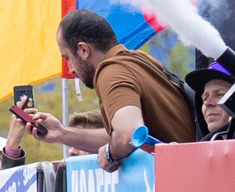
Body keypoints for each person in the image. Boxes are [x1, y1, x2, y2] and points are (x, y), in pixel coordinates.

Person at [30, 9, 198, 169]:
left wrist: (110, 153)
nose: (71, 70)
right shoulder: (139, 59)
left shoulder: (111, 71)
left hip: (180, 183)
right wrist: (61, 133)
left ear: (83, 50)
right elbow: (122, 134)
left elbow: (128, 134)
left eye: (67, 58)